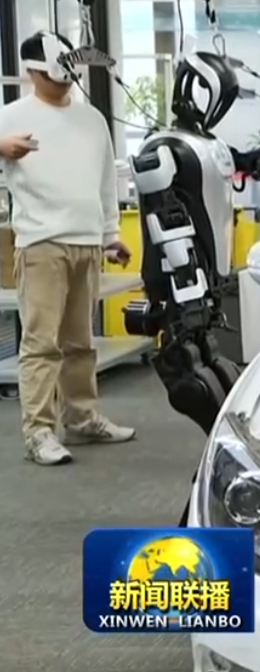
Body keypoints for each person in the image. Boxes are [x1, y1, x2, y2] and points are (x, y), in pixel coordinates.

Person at [1, 30, 136, 466]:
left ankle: (81, 418)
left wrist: (110, 234)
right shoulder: (10, 117)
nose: (63, 84)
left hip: (86, 243)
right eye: (53, 76)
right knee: (41, 344)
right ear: (32, 72)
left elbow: (104, 181)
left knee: (80, 342)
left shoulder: (92, 119)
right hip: (41, 244)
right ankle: (38, 432)